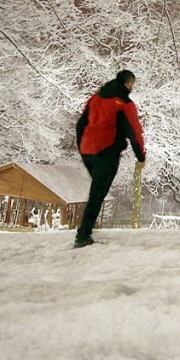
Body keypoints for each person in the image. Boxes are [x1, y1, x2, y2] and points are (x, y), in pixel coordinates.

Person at [74, 69, 146, 248]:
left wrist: (82, 146)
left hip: (87, 151)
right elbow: (134, 132)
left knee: (97, 191)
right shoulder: (124, 103)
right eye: (132, 84)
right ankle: (83, 235)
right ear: (128, 84)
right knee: (98, 193)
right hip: (107, 151)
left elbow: (80, 124)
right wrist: (141, 156)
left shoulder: (95, 98)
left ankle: (85, 231)